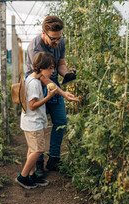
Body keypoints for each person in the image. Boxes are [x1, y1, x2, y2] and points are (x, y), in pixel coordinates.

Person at [26, 15, 79, 177]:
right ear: (44, 33)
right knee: (40, 124)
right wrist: (62, 92)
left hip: (52, 81)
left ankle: (54, 158)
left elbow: (61, 64)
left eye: (59, 38)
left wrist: (67, 74)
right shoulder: (35, 47)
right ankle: (39, 162)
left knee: (61, 120)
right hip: (37, 83)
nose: (57, 42)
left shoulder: (60, 41)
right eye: (53, 39)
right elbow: (42, 77)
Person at [15, 52, 58, 189]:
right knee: (38, 150)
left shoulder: (32, 79)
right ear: (41, 68)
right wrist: (48, 97)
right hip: (33, 123)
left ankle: (32, 175)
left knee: (32, 149)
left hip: (30, 121)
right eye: (50, 68)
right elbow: (32, 106)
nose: (52, 71)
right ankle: (23, 176)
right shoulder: (34, 83)